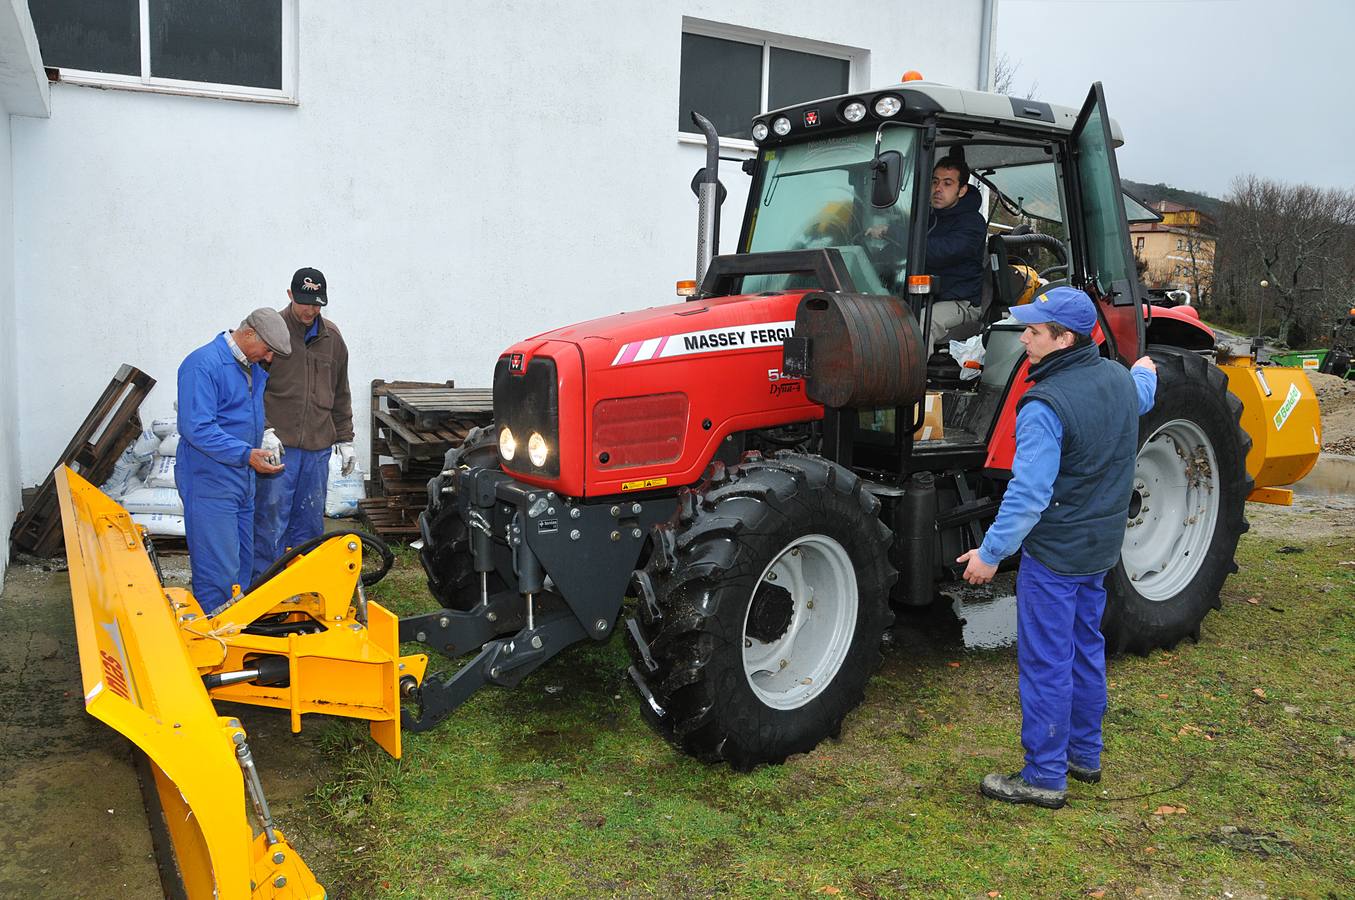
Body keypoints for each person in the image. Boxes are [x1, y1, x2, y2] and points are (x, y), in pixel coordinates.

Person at [955, 285, 1158, 809]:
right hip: (1100, 546)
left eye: (1034, 331)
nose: (1024, 337)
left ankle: (1044, 775)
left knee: (1047, 660)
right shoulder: (1116, 378)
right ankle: (1084, 754)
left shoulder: (1044, 406)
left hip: (1056, 553)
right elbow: (1142, 391)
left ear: (1064, 339)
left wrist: (990, 553)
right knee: (1085, 646)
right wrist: (1148, 368)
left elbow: (1028, 495)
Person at [177, 308, 291, 615]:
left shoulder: (249, 368)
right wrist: (245, 454)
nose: (269, 358)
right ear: (249, 333)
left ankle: (235, 629)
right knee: (218, 571)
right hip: (209, 480)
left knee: (241, 565)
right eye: (268, 349)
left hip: (241, 479)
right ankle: (213, 644)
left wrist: (263, 434)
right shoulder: (203, 365)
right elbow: (196, 427)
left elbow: (239, 415)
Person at [252, 267, 355, 581]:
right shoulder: (272, 333)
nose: (310, 309)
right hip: (278, 448)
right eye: (304, 301)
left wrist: (346, 439)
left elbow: (341, 391)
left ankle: (305, 587)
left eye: (317, 303)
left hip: (317, 449)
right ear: (289, 295)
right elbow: (252, 388)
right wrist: (264, 429)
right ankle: (263, 588)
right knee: (270, 522)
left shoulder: (333, 339)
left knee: (309, 525)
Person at [922, 156, 986, 344]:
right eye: (935, 182)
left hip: (960, 301)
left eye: (947, 183)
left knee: (922, 324)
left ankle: (909, 374)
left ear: (962, 190)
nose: (938, 189)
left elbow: (944, 252)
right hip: (923, 296)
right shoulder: (926, 217)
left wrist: (900, 240)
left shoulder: (972, 223)